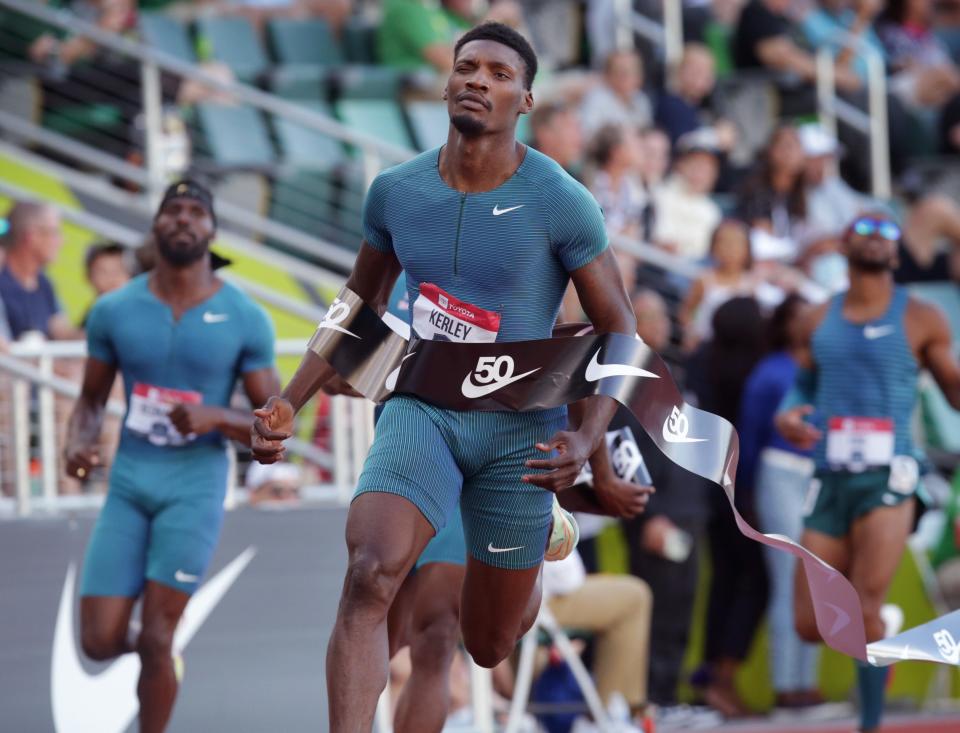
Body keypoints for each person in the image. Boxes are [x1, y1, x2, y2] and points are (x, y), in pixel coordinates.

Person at [250, 22, 638, 731]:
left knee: (488, 642)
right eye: (466, 67)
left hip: (521, 429)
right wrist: (288, 399)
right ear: (446, 80)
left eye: (496, 72)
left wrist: (587, 439)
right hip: (421, 407)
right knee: (369, 573)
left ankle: (538, 540)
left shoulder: (560, 199)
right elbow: (357, 305)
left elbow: (621, 327)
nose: (477, 80)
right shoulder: (396, 191)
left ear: (525, 99)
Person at [63, 180, 280, 733]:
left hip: (195, 485)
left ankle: (160, 667)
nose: (183, 219)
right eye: (172, 210)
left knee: (159, 636)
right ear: (156, 226)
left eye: (195, 212)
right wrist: (77, 442)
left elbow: (274, 426)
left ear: (211, 232)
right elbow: (90, 401)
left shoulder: (244, 316)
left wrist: (219, 417)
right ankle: (162, 661)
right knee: (98, 639)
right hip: (131, 482)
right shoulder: (114, 310)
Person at [776, 211, 960, 733]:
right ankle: (882, 631)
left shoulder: (922, 317)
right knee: (810, 623)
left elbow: (952, 389)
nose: (878, 237)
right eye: (867, 228)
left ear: (897, 254)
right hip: (829, 474)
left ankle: (871, 724)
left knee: (864, 603)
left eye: (888, 233)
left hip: (891, 475)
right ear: (844, 242)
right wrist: (788, 413)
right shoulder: (816, 318)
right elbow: (803, 388)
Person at [737, 294, 822, 712]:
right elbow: (749, 437)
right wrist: (748, 492)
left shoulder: (826, 369)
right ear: (786, 325)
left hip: (821, 477)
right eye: (800, 317)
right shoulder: (770, 372)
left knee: (820, 577)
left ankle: (808, 682)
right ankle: (786, 684)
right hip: (779, 473)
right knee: (790, 577)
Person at [0, 201, 79, 341]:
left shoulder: (43, 282)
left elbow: (62, 332)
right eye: (55, 232)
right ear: (31, 236)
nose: (61, 241)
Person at [580, 50, 654, 137]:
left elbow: (647, 135)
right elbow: (589, 136)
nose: (626, 77)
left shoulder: (641, 100)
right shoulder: (596, 99)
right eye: (620, 71)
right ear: (607, 75)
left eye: (632, 71)